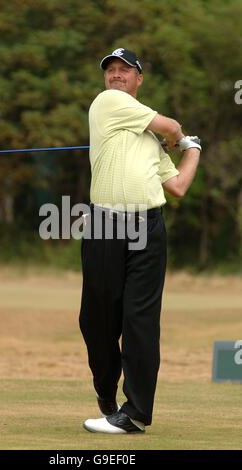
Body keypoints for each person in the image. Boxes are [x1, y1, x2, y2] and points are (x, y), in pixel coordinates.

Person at [79, 48, 201, 434]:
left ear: (139, 78)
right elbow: (171, 125)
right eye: (110, 70)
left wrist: (193, 152)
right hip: (105, 224)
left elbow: (177, 186)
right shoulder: (107, 102)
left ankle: (134, 414)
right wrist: (181, 137)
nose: (116, 75)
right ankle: (105, 392)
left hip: (148, 227)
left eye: (124, 70)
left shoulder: (148, 137)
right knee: (97, 321)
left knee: (140, 321)